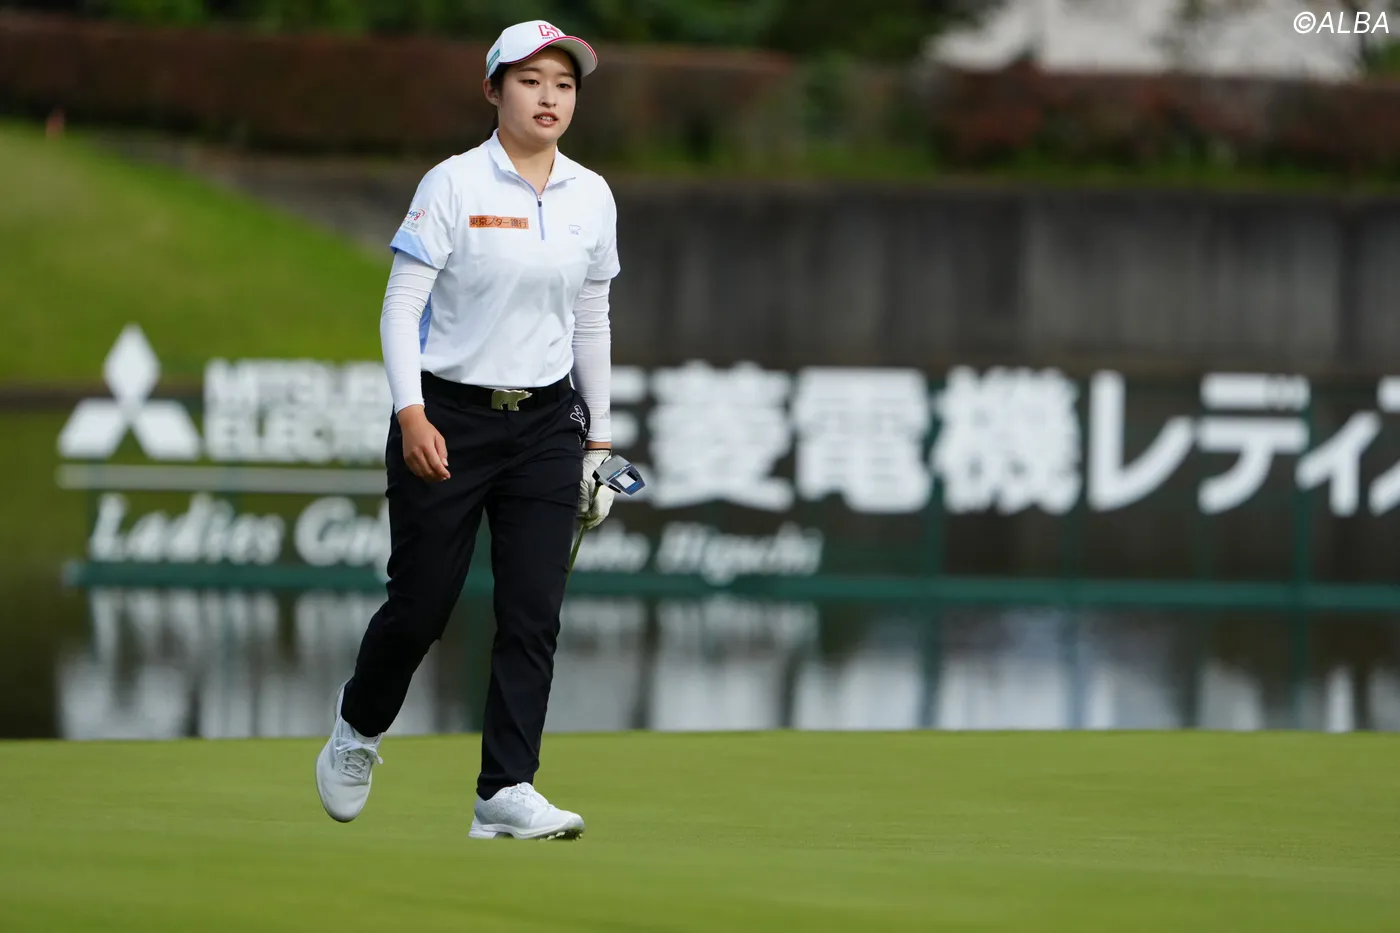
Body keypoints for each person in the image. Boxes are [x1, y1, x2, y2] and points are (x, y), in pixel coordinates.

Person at [315, 19, 622, 841]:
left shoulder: (592, 194)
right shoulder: (453, 183)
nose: (549, 97)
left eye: (564, 84)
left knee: (533, 612)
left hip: (547, 424)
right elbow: (400, 307)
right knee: (421, 607)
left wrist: (598, 443)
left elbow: (592, 316)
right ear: (493, 90)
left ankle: (505, 789)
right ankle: (358, 727)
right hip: (447, 415)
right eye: (530, 81)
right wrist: (410, 410)